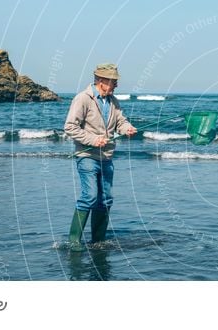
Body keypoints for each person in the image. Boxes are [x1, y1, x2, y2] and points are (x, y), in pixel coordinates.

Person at [64, 63, 137, 251]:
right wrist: (93, 139)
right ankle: (74, 240)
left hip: (107, 157)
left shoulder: (113, 101)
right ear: (100, 80)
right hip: (86, 155)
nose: (116, 85)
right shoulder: (82, 99)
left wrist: (126, 128)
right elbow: (70, 127)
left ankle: (97, 241)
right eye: (113, 81)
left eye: (116, 81)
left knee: (106, 199)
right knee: (90, 196)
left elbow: (120, 121)